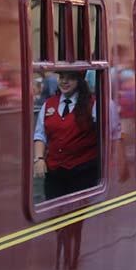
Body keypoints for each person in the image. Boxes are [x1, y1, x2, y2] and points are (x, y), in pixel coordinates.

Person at [33, 70, 99, 200]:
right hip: (54, 173)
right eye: (62, 77)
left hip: (83, 172)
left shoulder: (92, 104)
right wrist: (39, 158)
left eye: (70, 78)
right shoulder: (48, 104)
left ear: (79, 81)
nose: (64, 81)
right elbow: (40, 135)